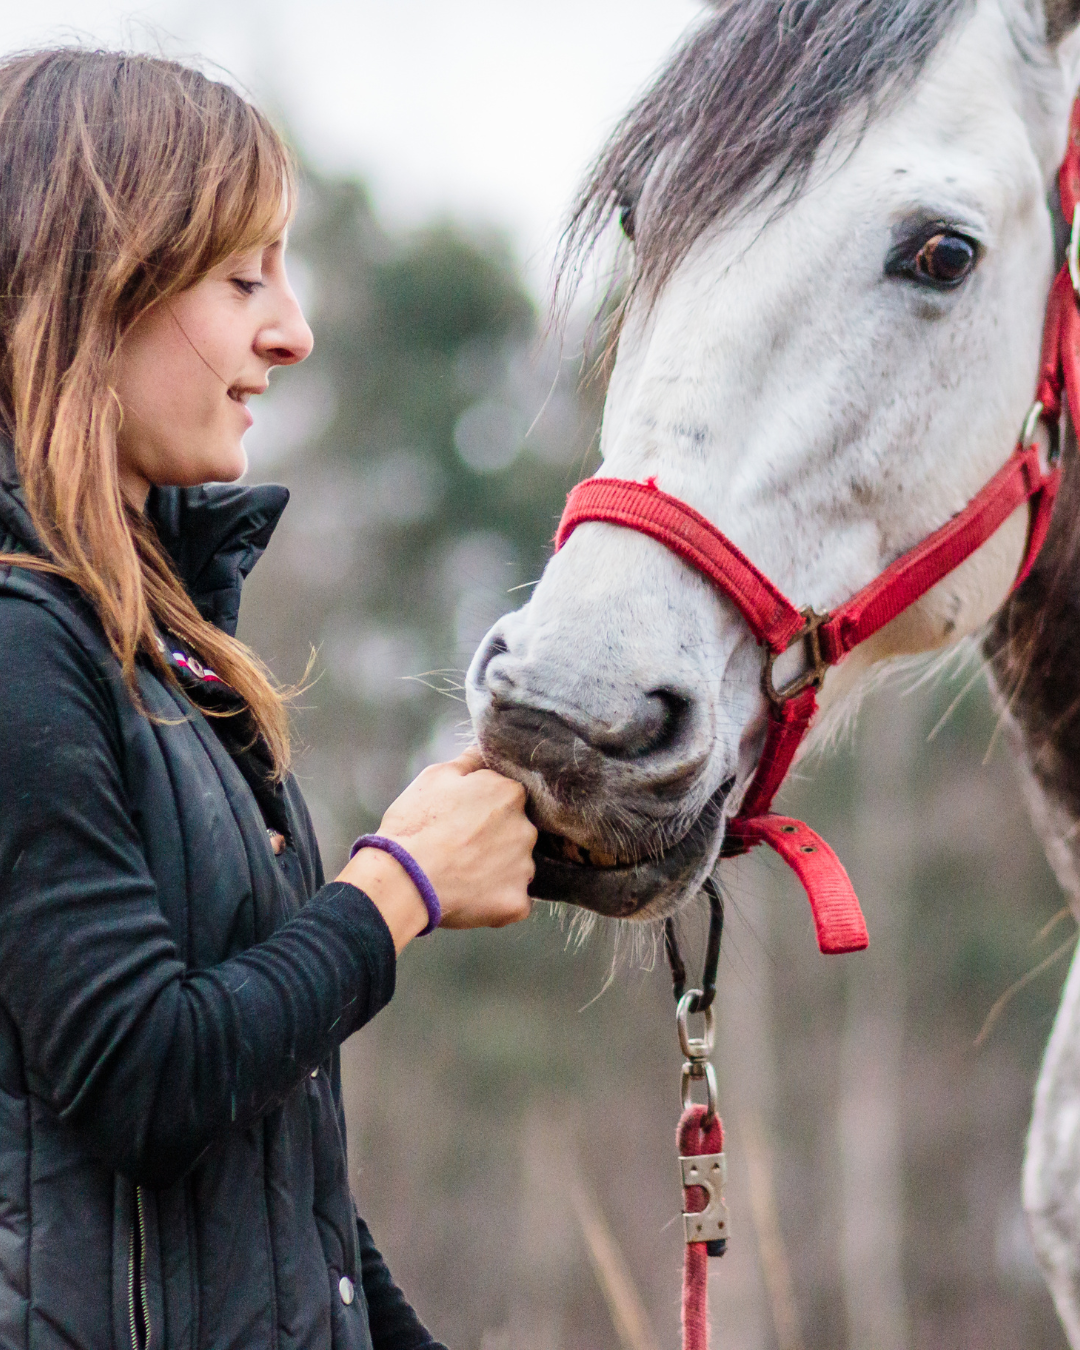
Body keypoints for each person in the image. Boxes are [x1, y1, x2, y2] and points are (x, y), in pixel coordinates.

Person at [0, 47, 537, 1350]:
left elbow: (270, 1173)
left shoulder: (168, 656)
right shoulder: (21, 638)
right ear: (94, 288)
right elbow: (146, 1073)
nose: (291, 329)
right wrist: (397, 885)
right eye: (243, 279)